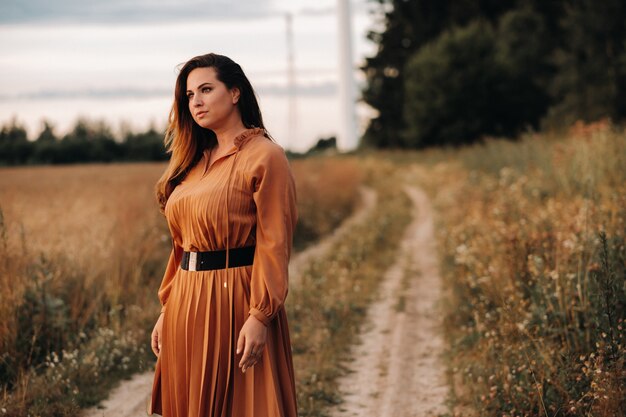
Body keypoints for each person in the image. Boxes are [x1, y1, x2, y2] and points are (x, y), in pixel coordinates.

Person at [148, 53, 299, 417]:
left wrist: (261, 315)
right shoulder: (191, 161)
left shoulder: (264, 156)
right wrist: (168, 306)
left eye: (205, 89)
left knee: (244, 405)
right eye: (189, 95)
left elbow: (274, 243)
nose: (196, 101)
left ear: (234, 93)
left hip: (237, 300)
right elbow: (181, 247)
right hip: (186, 300)